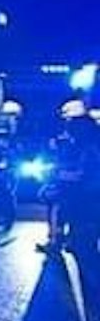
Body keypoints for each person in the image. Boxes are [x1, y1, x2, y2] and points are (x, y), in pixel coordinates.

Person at [40, 100, 99, 254]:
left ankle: (60, 241)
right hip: (80, 189)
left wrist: (57, 174)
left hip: (87, 190)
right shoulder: (72, 142)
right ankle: (61, 239)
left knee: (61, 206)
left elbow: (84, 173)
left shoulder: (90, 146)